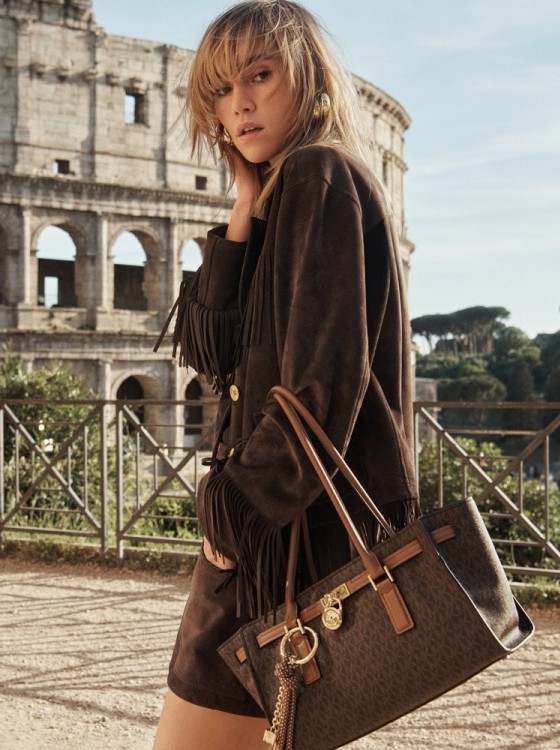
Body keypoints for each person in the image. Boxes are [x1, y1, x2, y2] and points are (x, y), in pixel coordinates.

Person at [153, 2, 419, 748]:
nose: (238, 103)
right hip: (282, 536)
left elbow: (321, 386)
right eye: (220, 90)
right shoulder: (290, 188)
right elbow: (214, 349)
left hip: (276, 543)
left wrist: (229, 515)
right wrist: (244, 204)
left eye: (260, 76)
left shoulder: (319, 173)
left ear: (309, 78)